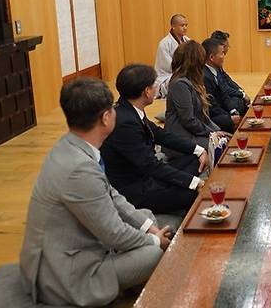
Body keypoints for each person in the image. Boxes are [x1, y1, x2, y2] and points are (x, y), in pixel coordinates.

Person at [19, 78, 171, 307]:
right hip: (66, 275)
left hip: (78, 247)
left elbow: (112, 195)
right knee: (152, 253)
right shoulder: (79, 170)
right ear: (106, 118)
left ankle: (132, 279)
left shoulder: (71, 145)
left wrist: (148, 228)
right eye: (113, 108)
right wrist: (154, 240)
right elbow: (113, 233)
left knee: (147, 217)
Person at [101, 64, 207, 214]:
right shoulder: (124, 123)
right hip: (134, 190)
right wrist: (194, 182)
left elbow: (159, 134)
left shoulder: (129, 109)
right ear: (146, 91)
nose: (156, 88)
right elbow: (150, 165)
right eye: (154, 85)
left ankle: (177, 186)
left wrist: (198, 149)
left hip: (148, 176)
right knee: (194, 194)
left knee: (193, 158)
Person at [165, 41, 230, 159]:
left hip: (193, 132)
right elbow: (188, 120)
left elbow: (204, 116)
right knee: (224, 149)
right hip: (182, 137)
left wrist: (217, 131)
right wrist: (212, 134)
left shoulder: (193, 80)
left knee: (226, 139)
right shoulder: (180, 84)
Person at [202, 38, 242, 133]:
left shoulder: (215, 69)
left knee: (238, 105)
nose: (224, 56)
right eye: (222, 53)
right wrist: (230, 118)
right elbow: (212, 106)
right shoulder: (204, 76)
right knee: (230, 121)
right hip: (210, 116)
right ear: (212, 57)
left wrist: (233, 111)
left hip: (221, 108)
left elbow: (224, 94)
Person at [209, 30, 250, 115]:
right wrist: (241, 94)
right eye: (227, 46)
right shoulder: (211, 63)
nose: (227, 48)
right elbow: (224, 88)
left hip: (225, 96)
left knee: (240, 100)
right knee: (238, 102)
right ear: (222, 46)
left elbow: (226, 78)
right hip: (219, 103)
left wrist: (241, 91)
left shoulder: (217, 61)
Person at [154, 13, 189, 98]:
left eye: (186, 25)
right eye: (182, 25)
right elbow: (170, 66)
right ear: (173, 26)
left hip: (184, 73)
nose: (185, 28)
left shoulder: (187, 41)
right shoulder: (164, 44)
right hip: (167, 77)